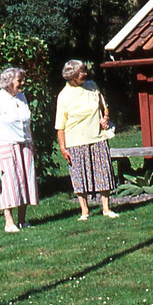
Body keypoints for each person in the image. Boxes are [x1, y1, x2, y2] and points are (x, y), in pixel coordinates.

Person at [54, 59, 118, 220]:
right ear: (72, 75)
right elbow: (60, 126)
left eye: (84, 70)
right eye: (81, 71)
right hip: (75, 140)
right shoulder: (64, 96)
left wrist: (106, 117)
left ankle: (106, 209)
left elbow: (105, 106)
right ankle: (85, 211)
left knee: (103, 172)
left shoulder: (92, 86)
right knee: (79, 176)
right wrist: (63, 147)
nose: (85, 73)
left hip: (98, 137)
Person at [0, 66, 39, 233]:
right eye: (19, 81)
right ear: (8, 82)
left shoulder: (22, 97)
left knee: (25, 181)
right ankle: (9, 222)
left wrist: (32, 142)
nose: (23, 83)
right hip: (5, 145)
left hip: (25, 144)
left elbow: (26, 123)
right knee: (8, 185)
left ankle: (22, 220)